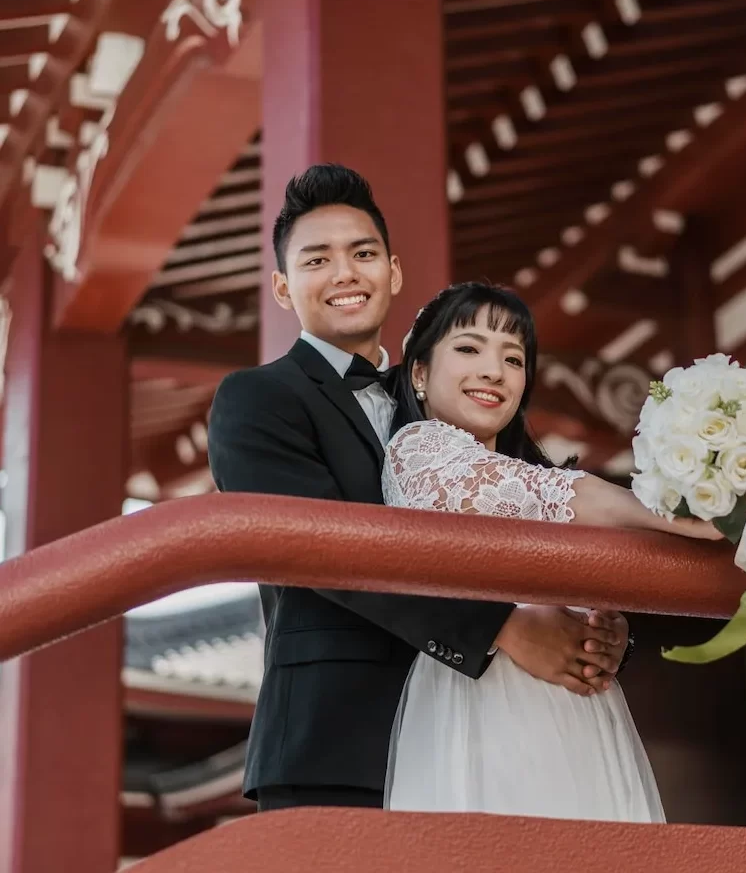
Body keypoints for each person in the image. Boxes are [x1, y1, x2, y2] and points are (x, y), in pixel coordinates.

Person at [207, 165, 634, 812]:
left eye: (363, 254)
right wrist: (502, 628)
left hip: (483, 736)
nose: (346, 273)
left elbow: (538, 496)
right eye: (317, 259)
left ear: (394, 273)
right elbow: (318, 551)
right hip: (341, 739)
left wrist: (592, 623)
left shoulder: (448, 388)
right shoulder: (257, 399)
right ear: (283, 288)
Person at [382, 282, 723, 822]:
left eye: (513, 358)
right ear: (419, 373)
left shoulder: (539, 475)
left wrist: (607, 629)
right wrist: (689, 513)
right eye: (469, 348)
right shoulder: (418, 450)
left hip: (580, 706)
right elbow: (565, 499)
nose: (493, 371)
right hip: (486, 697)